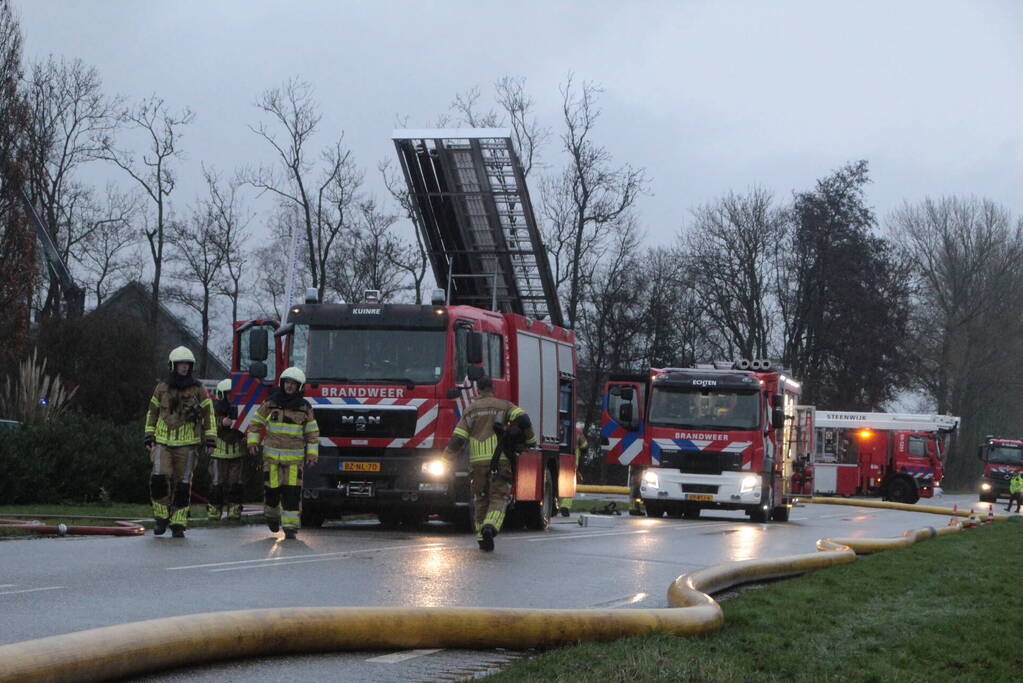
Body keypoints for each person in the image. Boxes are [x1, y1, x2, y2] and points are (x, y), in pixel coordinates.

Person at [443, 375, 535, 551]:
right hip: (501, 461)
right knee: (498, 497)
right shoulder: (504, 406)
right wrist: (531, 441)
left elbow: (457, 439)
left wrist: (445, 459)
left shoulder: (470, 410)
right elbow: (524, 420)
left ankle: (481, 539)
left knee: (480, 500)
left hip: (477, 464)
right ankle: (490, 526)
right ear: (493, 388)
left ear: (477, 389)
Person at [144, 346, 216, 538]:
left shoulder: (199, 389)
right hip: (163, 442)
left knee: (183, 485)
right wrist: (149, 435)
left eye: (187, 365)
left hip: (188, 444)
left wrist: (211, 440)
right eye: (181, 364)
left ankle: (178, 522)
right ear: (173, 366)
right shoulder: (162, 388)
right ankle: (161, 518)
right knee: (159, 477)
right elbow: (152, 412)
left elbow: (209, 415)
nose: (184, 368)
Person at [246, 367, 319, 539]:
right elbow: (255, 424)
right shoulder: (270, 403)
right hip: (272, 460)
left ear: (299, 387)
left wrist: (312, 454)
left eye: (294, 384)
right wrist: (252, 442)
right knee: (272, 491)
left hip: (294, 461)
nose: (289, 386)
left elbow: (312, 434)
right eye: (287, 383)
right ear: (282, 383)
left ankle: (290, 527)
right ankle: (272, 517)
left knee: (292, 492)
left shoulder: (304, 408)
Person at [207, 378, 246, 521]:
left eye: (234, 394)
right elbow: (208, 426)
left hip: (237, 453)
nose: (231, 398)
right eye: (229, 394)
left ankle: (234, 511)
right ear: (221, 395)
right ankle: (214, 511)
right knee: (217, 483)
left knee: (236, 484)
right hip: (218, 454)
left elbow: (247, 426)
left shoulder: (241, 410)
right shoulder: (214, 411)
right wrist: (221, 423)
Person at [559, 423, 588, 517]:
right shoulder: (578, 432)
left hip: (556, 459)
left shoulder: (556, 427)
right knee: (569, 485)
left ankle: (555, 504)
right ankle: (565, 506)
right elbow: (584, 446)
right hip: (571, 462)